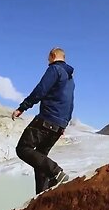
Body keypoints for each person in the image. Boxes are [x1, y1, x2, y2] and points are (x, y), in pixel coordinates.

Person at [12, 47, 75, 194]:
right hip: (59, 124)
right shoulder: (70, 79)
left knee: (22, 149)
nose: (48, 61)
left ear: (53, 56)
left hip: (47, 119)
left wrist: (22, 107)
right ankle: (42, 194)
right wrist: (64, 123)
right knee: (40, 158)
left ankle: (56, 171)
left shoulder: (55, 70)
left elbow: (41, 90)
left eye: (48, 58)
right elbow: (70, 102)